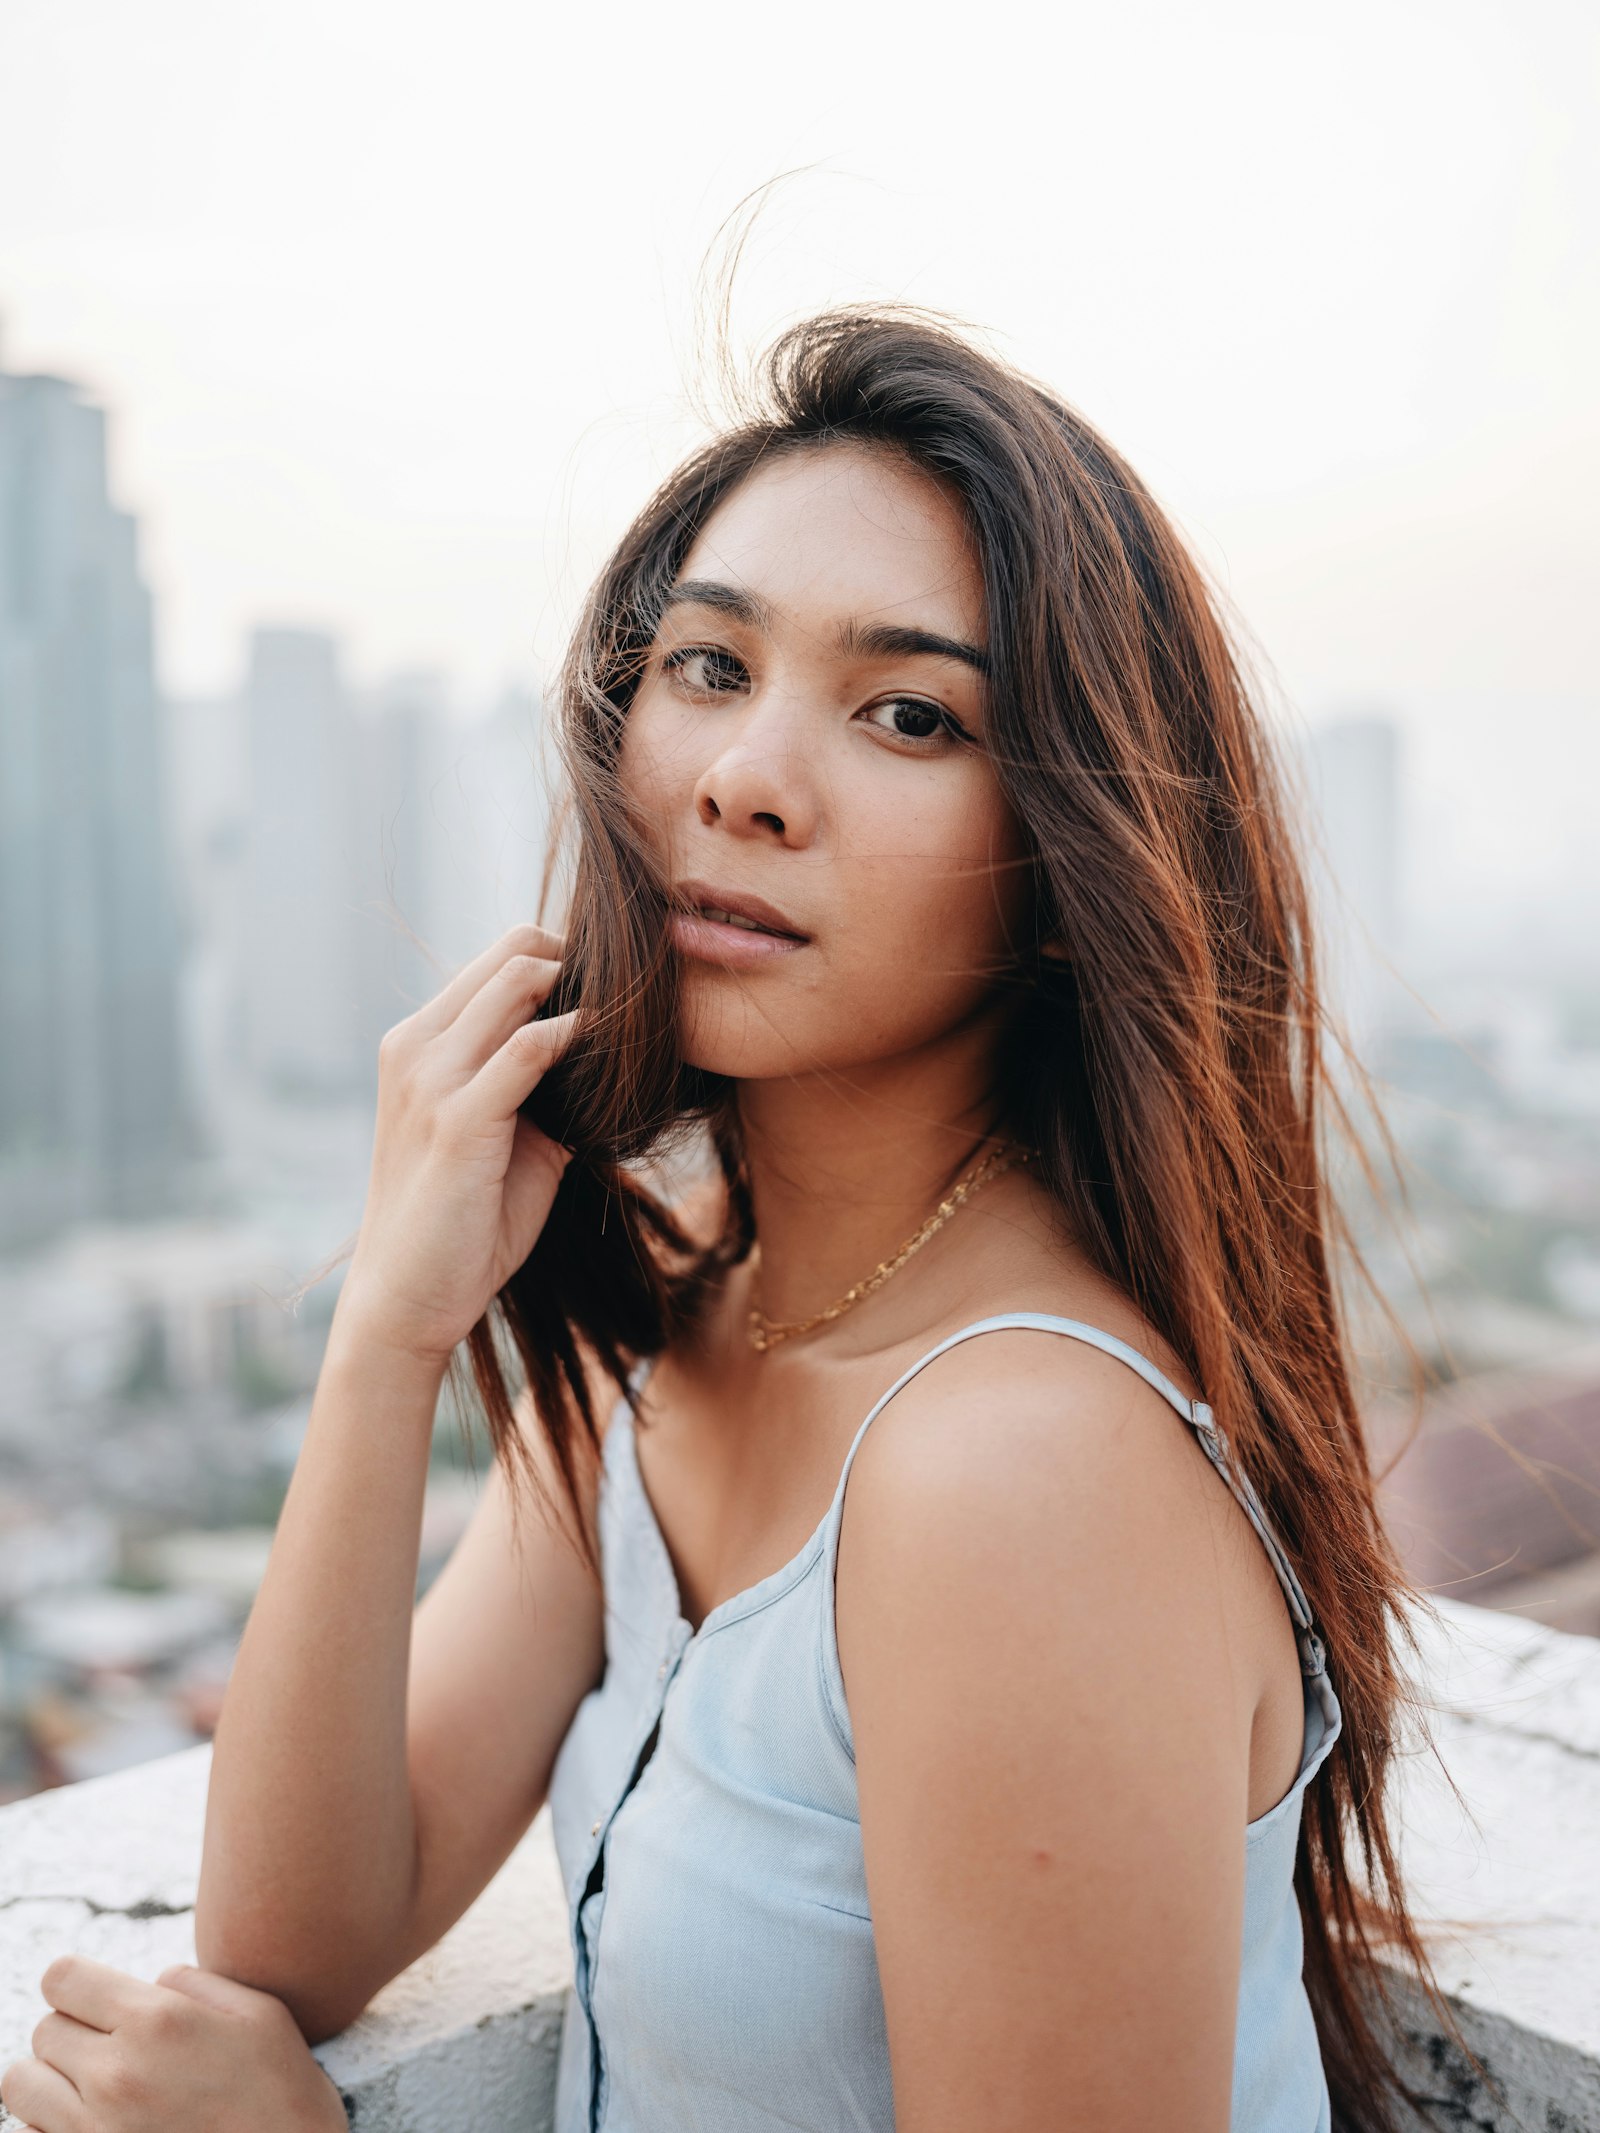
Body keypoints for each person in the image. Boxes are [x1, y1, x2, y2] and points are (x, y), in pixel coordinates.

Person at [5, 308, 1462, 2133]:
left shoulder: (1023, 1473)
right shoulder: (707, 1325)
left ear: (1067, 869)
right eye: (707, 667)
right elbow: (297, 1926)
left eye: (910, 714)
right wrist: (388, 1330)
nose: (744, 780)